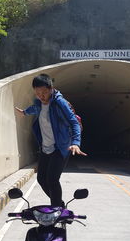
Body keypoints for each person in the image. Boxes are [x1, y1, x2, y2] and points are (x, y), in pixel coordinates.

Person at [15, 73, 87, 207]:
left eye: (44, 92)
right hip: (46, 148)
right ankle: (59, 204)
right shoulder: (38, 103)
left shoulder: (60, 103)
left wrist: (76, 143)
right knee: (41, 179)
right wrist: (24, 112)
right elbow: (35, 109)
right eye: (37, 93)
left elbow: (74, 122)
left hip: (61, 147)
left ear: (51, 89)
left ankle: (56, 209)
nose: (41, 96)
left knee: (52, 179)